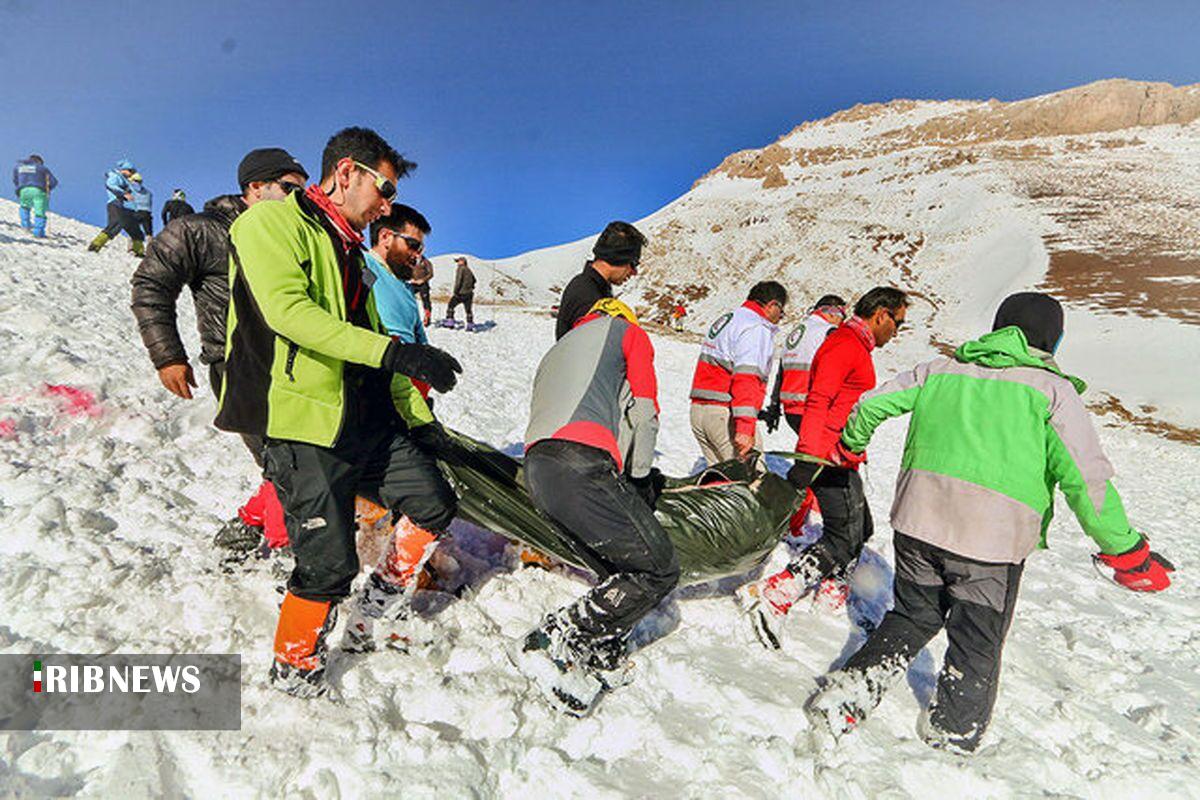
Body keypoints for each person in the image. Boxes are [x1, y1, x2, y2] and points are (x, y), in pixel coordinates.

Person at [803, 292, 1175, 753]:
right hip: (990, 546)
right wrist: (1127, 551)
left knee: (912, 616)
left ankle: (846, 696)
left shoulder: (941, 370)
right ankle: (951, 737)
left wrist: (852, 444)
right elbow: (1087, 480)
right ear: (1051, 340)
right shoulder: (1050, 392)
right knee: (976, 642)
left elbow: (869, 406)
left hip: (918, 524)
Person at [214, 126, 463, 697]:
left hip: (364, 419)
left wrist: (425, 426)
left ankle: (374, 612)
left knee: (433, 501)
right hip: (301, 422)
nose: (387, 203)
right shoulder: (269, 223)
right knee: (327, 565)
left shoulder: (353, 253)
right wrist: (396, 350)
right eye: (385, 187)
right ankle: (295, 668)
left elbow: (378, 350)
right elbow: (289, 312)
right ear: (346, 172)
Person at [131, 147, 309, 558]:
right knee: (287, 464)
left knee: (292, 459)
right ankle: (291, 555)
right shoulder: (199, 230)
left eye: (303, 191)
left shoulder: (290, 235)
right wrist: (168, 356)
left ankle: (246, 526)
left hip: (289, 365)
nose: (297, 199)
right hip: (237, 366)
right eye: (288, 188)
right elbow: (151, 286)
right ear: (255, 187)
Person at [516, 297, 678, 714]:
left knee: (618, 570)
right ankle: (553, 637)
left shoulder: (559, 349)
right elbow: (644, 414)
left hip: (538, 469)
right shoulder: (627, 333)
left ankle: (596, 652)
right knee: (657, 568)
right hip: (580, 462)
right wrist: (639, 480)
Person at [737, 287, 908, 647]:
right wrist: (809, 458)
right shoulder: (844, 344)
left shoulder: (855, 344)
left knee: (861, 527)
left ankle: (832, 593)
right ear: (881, 314)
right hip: (828, 454)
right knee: (842, 536)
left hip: (841, 453)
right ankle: (778, 591)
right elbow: (819, 400)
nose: (898, 331)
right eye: (898, 322)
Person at [688, 281, 787, 465]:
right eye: (781, 312)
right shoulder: (756, 328)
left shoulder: (729, 319)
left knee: (720, 483)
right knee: (751, 482)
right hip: (724, 415)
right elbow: (746, 378)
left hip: (699, 411)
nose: (781, 318)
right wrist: (745, 426)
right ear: (772, 305)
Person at [761, 295, 846, 435]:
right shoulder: (828, 332)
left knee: (808, 452)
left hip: (791, 410)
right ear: (833, 312)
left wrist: (774, 405)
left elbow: (781, 372)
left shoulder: (796, 332)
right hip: (814, 409)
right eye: (842, 315)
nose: (842, 321)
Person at [554, 221, 644, 340]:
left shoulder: (590, 287)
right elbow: (593, 351)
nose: (634, 272)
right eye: (633, 263)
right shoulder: (586, 294)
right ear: (618, 257)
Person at [364, 203, 431, 345]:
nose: (417, 255)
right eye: (414, 245)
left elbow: (420, 339)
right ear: (385, 237)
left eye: (421, 249)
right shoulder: (363, 267)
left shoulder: (404, 286)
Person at [87, 159, 146, 256]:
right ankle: (96, 245)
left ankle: (139, 252)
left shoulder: (126, 181)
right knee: (116, 224)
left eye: (133, 172)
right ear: (124, 169)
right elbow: (110, 185)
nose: (131, 174)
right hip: (116, 204)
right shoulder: (115, 176)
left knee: (136, 230)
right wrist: (123, 194)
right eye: (130, 171)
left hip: (128, 208)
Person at [12, 154, 58, 238]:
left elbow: (15, 180)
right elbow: (53, 181)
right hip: (38, 190)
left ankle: (25, 226)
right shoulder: (42, 168)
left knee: (24, 207)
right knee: (39, 211)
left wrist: (20, 187)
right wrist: (48, 189)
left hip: (23, 190)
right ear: (39, 161)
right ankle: (38, 232)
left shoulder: (19, 167)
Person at [443, 256, 477, 328]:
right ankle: (470, 325)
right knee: (468, 310)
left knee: (451, 305)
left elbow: (458, 281)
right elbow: (474, 280)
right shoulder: (468, 269)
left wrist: (455, 291)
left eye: (458, 261)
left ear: (463, 262)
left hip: (461, 293)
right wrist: (471, 287)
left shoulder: (461, 269)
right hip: (469, 293)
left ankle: (450, 322)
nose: (457, 263)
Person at [127, 172, 154, 242]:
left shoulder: (131, 188)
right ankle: (151, 250)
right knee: (149, 233)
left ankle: (132, 249)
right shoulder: (148, 192)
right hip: (147, 213)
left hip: (137, 212)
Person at [409, 255, 434, 327]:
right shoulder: (412, 261)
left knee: (425, 301)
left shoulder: (426, 262)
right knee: (407, 297)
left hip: (423, 284)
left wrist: (422, 280)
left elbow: (431, 274)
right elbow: (408, 271)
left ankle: (427, 317)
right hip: (414, 283)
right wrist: (411, 279)